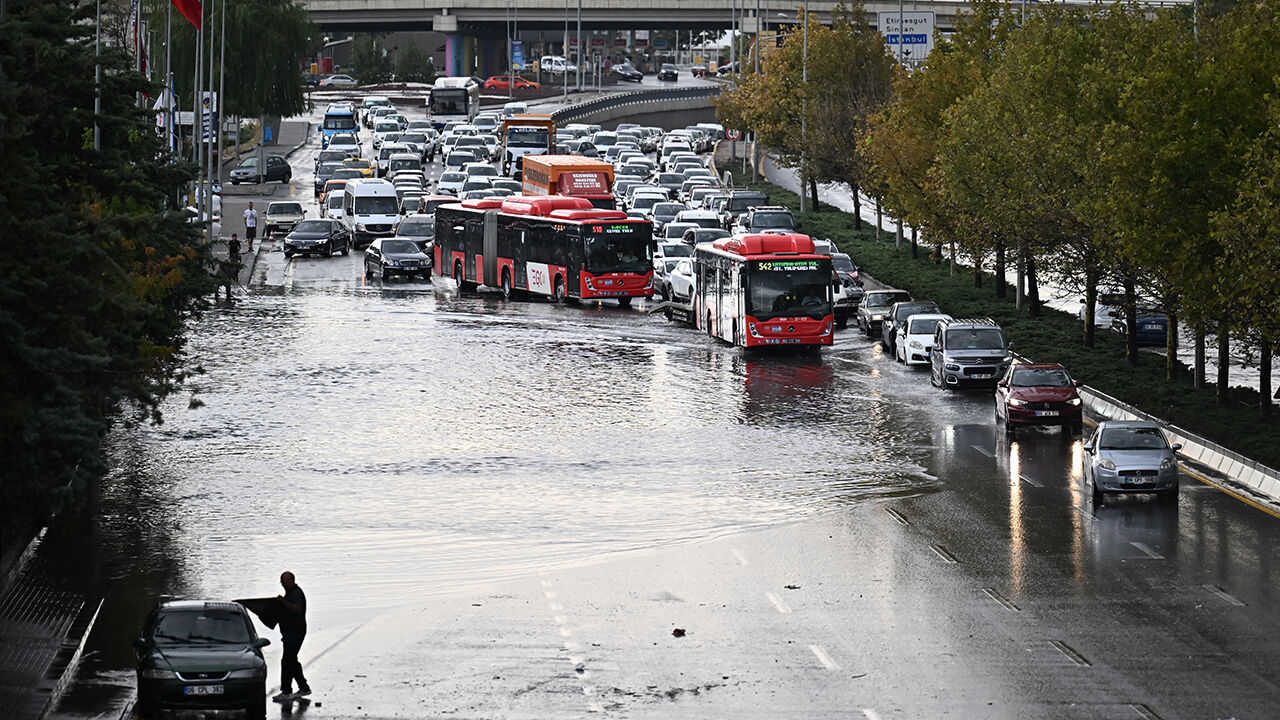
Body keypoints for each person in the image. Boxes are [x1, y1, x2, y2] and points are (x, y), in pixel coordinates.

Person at [273, 571, 311, 701]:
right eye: (281, 583)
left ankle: (287, 691)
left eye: (285, 582)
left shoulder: (297, 594)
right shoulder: (289, 593)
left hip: (296, 632)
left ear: (292, 580)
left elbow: (297, 610)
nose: (283, 585)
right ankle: (304, 688)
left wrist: (283, 602)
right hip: (289, 632)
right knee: (291, 660)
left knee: (288, 660)